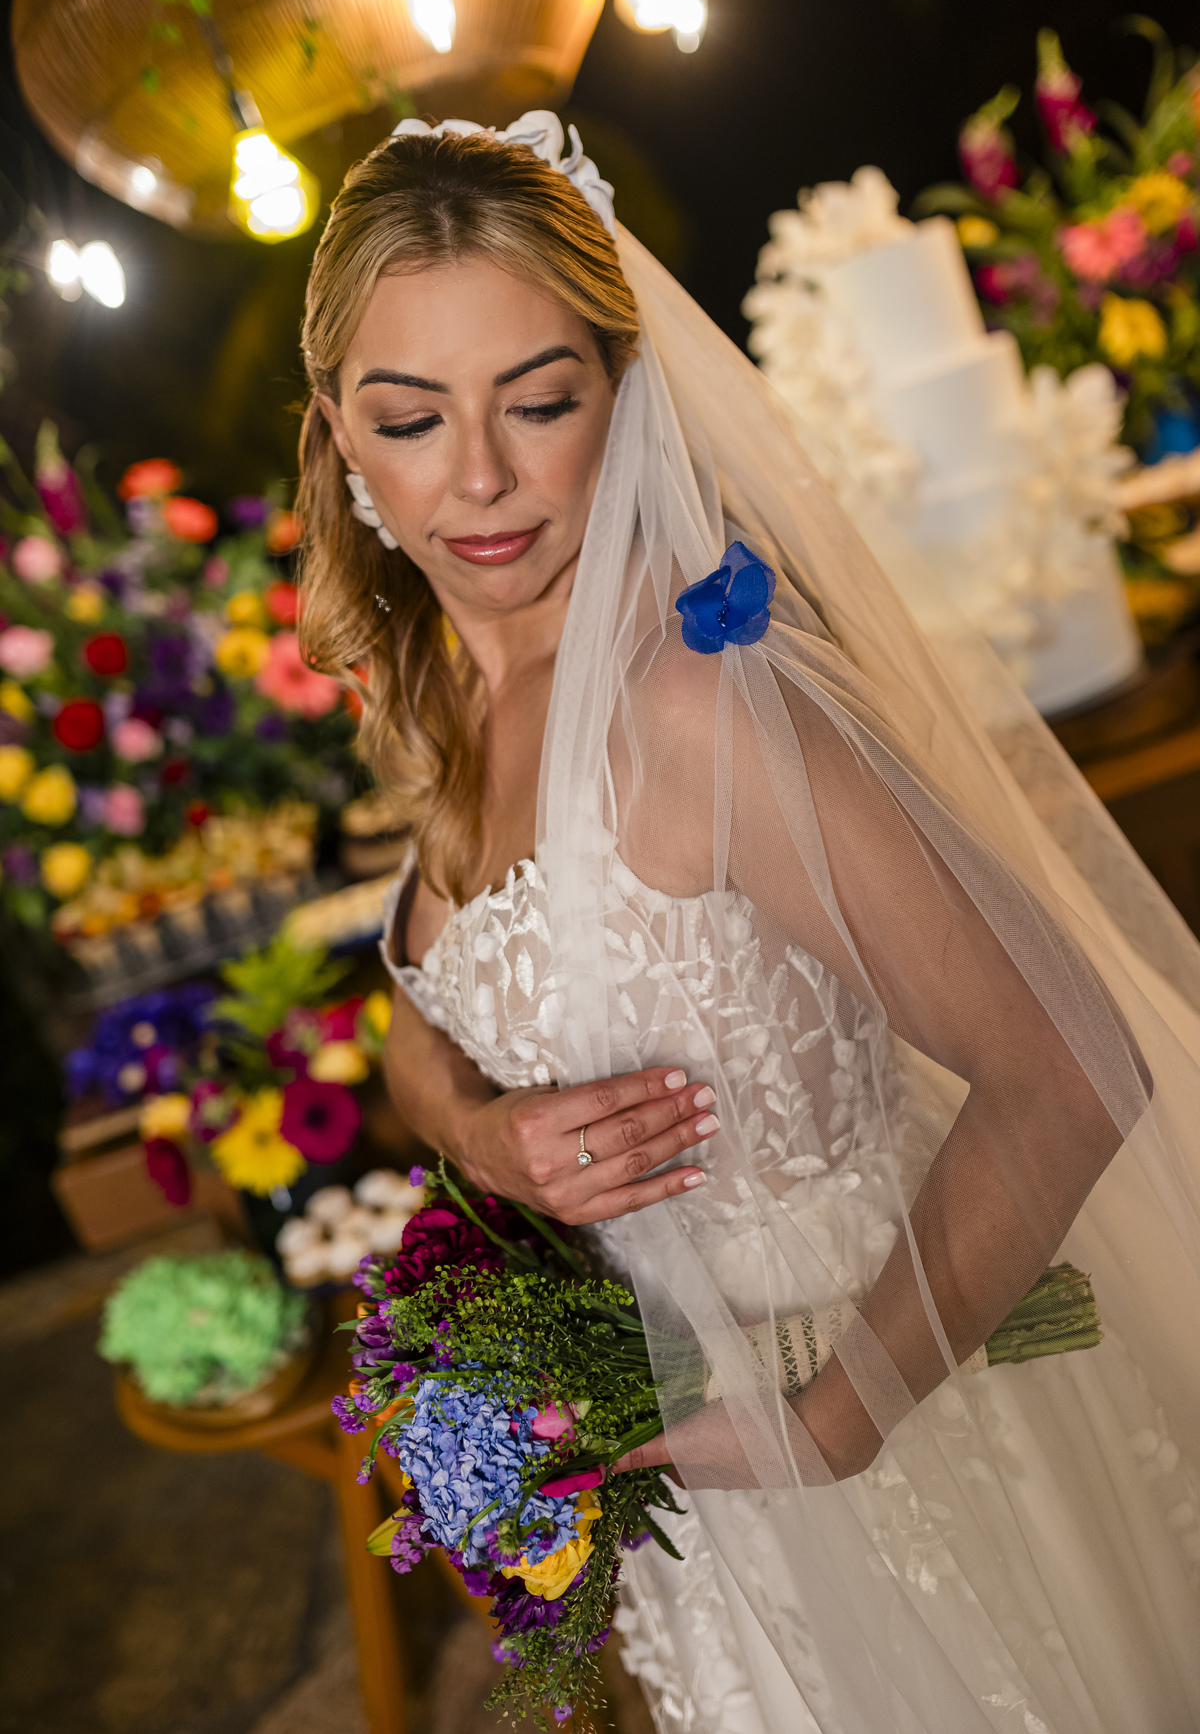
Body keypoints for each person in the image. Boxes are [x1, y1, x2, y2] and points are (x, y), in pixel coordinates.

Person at [296, 113, 1200, 1734]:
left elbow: (1073, 1060)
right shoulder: (441, 694)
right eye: (413, 417)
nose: (481, 477)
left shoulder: (692, 705)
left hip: (908, 1408)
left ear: (626, 393)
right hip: (701, 1478)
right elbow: (420, 1018)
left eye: (541, 400)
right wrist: (490, 1138)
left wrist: (840, 1413)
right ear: (343, 438)